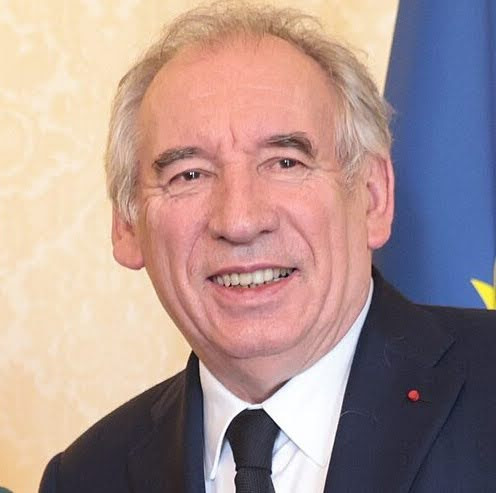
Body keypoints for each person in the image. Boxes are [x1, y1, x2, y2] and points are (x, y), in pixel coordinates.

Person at [39, 2, 496, 492]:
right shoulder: (85, 477)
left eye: (285, 163)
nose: (240, 221)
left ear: (373, 196)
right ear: (127, 224)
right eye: (189, 175)